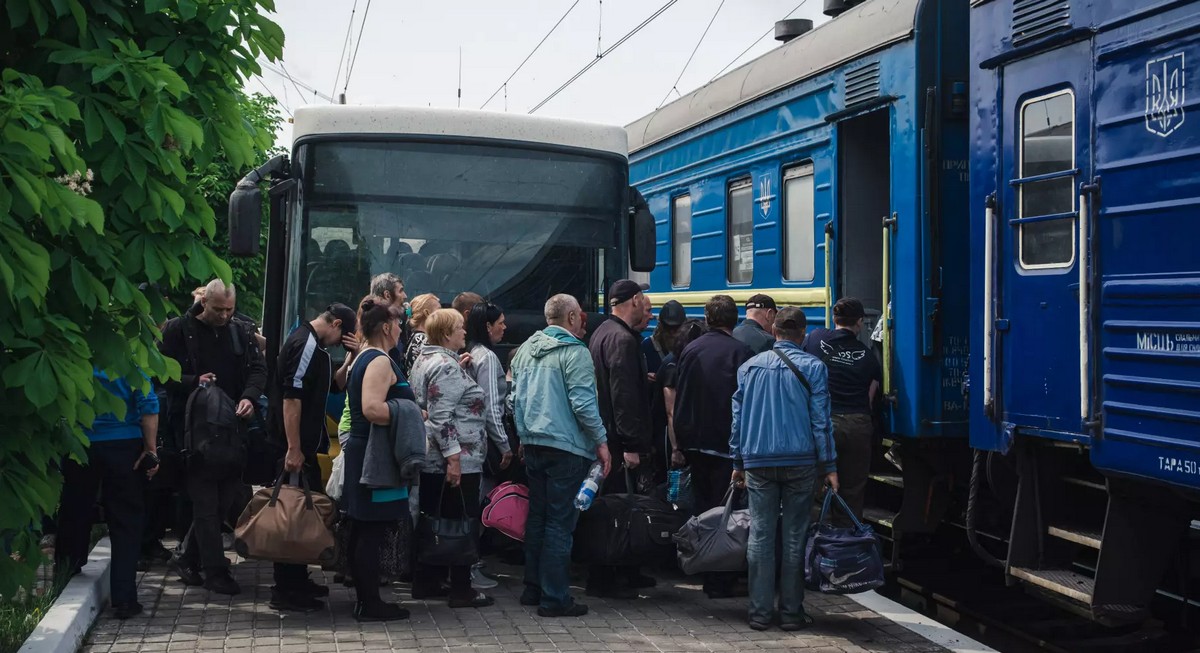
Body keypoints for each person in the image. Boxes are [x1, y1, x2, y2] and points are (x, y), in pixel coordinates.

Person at [730, 307, 837, 631]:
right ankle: (791, 613)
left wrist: (737, 462)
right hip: (801, 461)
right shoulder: (814, 367)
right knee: (794, 536)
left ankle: (760, 613)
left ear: (774, 331)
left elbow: (737, 420)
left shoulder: (748, 368)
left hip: (758, 461)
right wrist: (829, 465)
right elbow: (821, 421)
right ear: (802, 334)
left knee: (760, 535)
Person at [160, 279, 266, 595]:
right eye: (218, 309)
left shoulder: (241, 329)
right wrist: (194, 380)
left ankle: (186, 557)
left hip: (233, 426)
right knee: (205, 501)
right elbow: (161, 371)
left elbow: (259, 370)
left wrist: (249, 396)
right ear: (203, 302)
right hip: (195, 430)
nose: (223, 316)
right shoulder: (179, 330)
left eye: (229, 310)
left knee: (227, 497)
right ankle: (215, 571)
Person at [511, 294, 611, 617]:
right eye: (580, 315)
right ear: (571, 318)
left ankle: (532, 588)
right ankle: (555, 598)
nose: (583, 320)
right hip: (566, 448)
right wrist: (602, 441)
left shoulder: (524, 350)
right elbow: (583, 404)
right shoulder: (576, 353)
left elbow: (515, 400)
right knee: (559, 524)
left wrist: (524, 436)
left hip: (534, 444)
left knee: (537, 518)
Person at [267, 303, 359, 612]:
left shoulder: (314, 347)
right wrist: (293, 448)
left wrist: (350, 358)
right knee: (291, 516)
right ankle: (285, 588)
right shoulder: (305, 343)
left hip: (304, 447)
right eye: (341, 337)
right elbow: (292, 398)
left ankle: (296, 577)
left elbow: (334, 385)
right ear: (334, 324)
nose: (338, 343)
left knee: (302, 514)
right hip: (293, 448)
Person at [56, 368, 160, 620]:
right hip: (124, 445)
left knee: (74, 509)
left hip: (80, 442)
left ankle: (66, 573)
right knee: (126, 520)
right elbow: (148, 404)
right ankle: (124, 599)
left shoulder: (73, 351)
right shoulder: (130, 356)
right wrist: (151, 450)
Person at [409, 309, 494, 608]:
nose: (465, 333)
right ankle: (461, 589)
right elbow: (441, 416)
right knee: (460, 522)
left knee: (434, 520)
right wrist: (454, 460)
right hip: (456, 459)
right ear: (446, 334)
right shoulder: (445, 366)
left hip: (433, 459)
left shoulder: (426, 359)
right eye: (459, 328)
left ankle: (426, 580)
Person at [672, 295, 754, 597]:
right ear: (734, 320)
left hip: (695, 442)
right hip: (725, 446)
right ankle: (719, 580)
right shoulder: (741, 352)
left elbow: (682, 398)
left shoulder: (691, 349)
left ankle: (702, 567)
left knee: (702, 509)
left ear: (707, 318)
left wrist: (680, 442)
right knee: (727, 515)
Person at [342, 296, 413, 622]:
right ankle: (370, 603)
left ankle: (367, 600)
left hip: (366, 452)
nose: (401, 329)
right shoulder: (379, 361)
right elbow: (372, 408)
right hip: (374, 456)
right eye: (398, 323)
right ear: (386, 326)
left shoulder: (363, 357)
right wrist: (411, 413)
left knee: (364, 528)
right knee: (370, 530)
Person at [587, 279, 655, 599]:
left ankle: (623, 571)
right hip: (617, 440)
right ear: (635, 300)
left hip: (605, 435)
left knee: (607, 506)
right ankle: (608, 575)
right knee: (618, 508)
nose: (646, 306)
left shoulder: (601, 332)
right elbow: (623, 395)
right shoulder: (623, 341)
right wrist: (631, 445)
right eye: (643, 300)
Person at [801, 297, 881, 525]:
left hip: (825, 423)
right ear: (859, 323)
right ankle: (845, 544)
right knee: (853, 489)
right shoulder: (868, 357)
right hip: (856, 424)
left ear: (834, 319)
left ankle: (816, 542)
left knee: (815, 484)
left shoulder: (816, 338)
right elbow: (870, 397)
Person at [463, 301, 513, 590]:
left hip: (467, 442)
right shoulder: (489, 359)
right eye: (500, 322)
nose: (505, 327)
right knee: (480, 507)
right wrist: (504, 446)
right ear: (487, 326)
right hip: (482, 445)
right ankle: (470, 566)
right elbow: (491, 407)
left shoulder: (469, 353)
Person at [642, 300, 686, 474]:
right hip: (656, 416)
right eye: (670, 329)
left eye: (677, 329)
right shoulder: (647, 346)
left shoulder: (685, 348)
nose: (674, 333)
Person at [369, 272, 408, 358]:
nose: (405, 296)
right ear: (387, 295)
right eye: (401, 291)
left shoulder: (403, 316)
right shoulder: (373, 327)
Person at [402, 293, 440, 378]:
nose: (442, 314)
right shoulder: (423, 339)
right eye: (439, 310)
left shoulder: (414, 337)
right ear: (427, 313)